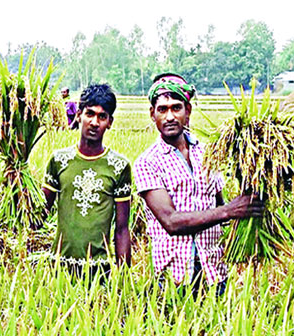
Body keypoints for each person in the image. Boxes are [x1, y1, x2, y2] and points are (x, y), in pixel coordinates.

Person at [133, 73, 264, 294]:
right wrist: (231, 210)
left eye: (176, 108)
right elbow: (171, 222)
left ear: (188, 111)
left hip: (214, 270)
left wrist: (253, 191)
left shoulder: (208, 154)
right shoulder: (147, 162)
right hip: (174, 277)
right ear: (152, 114)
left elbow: (219, 204)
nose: (169, 116)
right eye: (162, 109)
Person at [42, 84, 132, 278]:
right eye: (89, 114)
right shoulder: (59, 160)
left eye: (102, 116)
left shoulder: (119, 166)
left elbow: (122, 229)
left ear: (110, 122)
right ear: (78, 115)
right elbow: (39, 215)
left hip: (100, 271)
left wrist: (124, 280)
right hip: (59, 268)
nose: (94, 122)